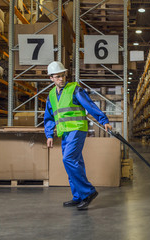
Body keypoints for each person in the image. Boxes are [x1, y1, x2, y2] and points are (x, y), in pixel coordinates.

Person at [44, 61, 112, 210]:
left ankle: (88, 192)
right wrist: (49, 135)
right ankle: (78, 196)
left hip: (77, 129)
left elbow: (90, 105)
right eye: (57, 77)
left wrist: (103, 120)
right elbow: (49, 117)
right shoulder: (51, 95)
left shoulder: (74, 89)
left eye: (63, 75)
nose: (61, 79)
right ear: (51, 78)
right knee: (75, 163)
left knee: (68, 159)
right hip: (64, 132)